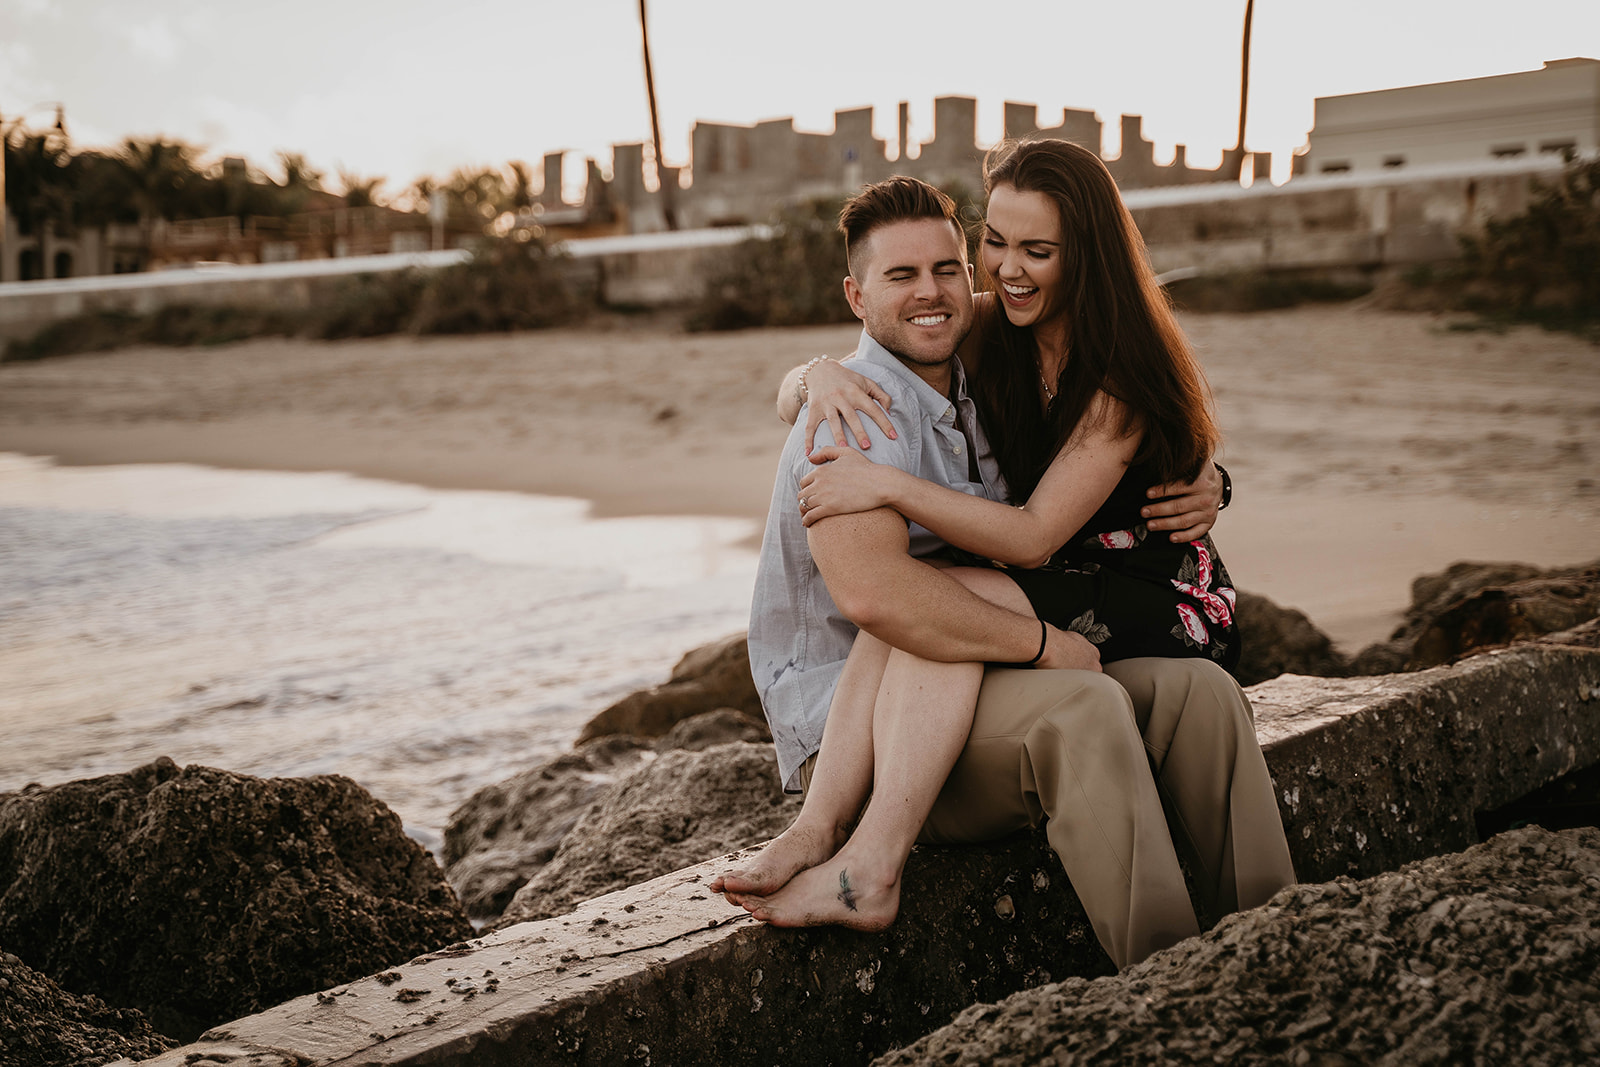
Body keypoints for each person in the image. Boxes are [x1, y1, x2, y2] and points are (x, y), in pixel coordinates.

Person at [719, 156, 1293, 968]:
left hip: (973, 677)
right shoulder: (852, 418)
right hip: (862, 742)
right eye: (903, 275)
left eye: (948, 268)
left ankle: (1279, 940)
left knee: (1201, 694)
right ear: (856, 296)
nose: (936, 289)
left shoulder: (979, 368)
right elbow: (882, 600)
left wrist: (1211, 479)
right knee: (1080, 709)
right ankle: (1168, 977)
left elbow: (1037, 530)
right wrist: (815, 376)